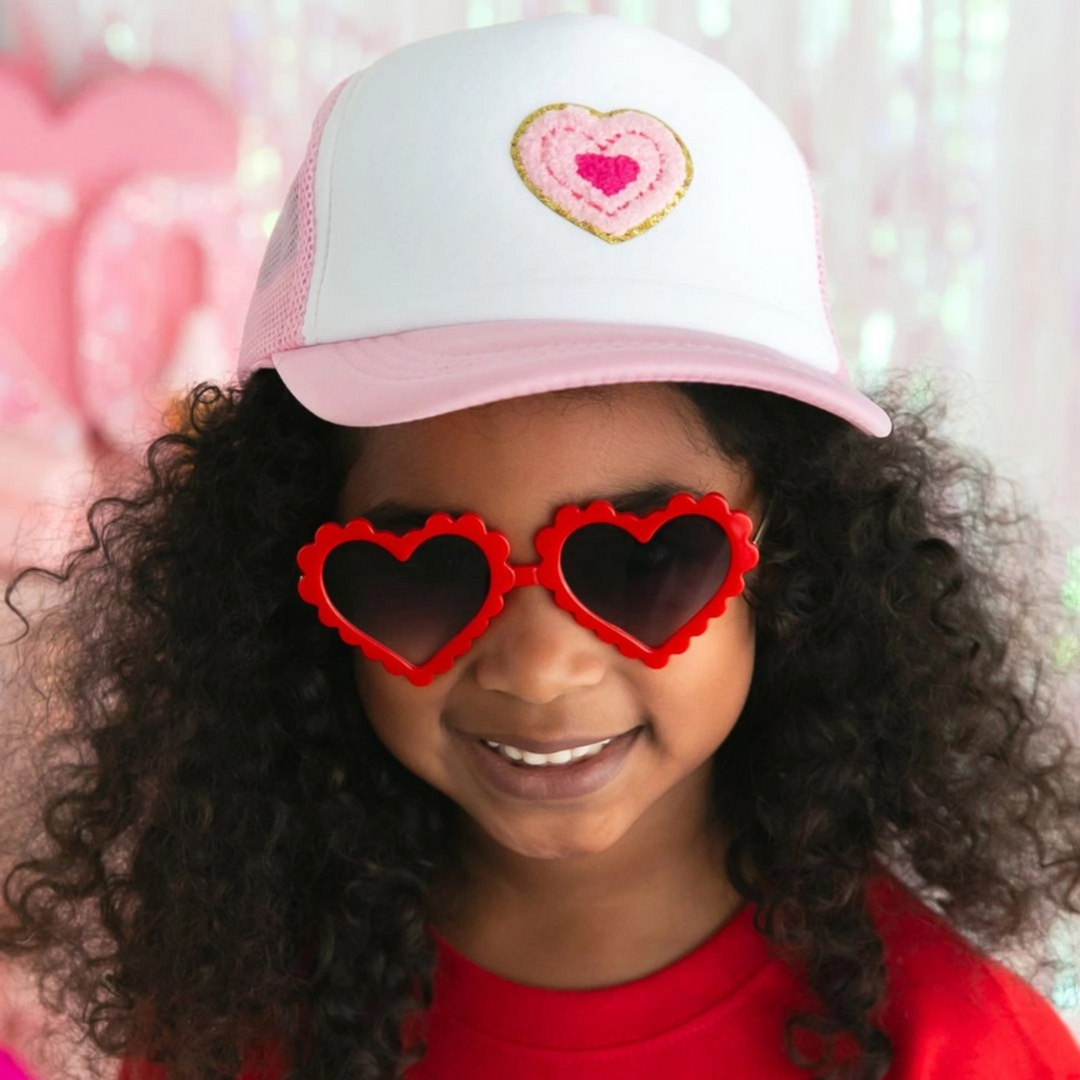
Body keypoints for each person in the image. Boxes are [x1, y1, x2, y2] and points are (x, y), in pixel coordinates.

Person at [1, 12, 1078, 1080]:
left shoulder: (957, 1047)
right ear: (285, 582)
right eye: (418, 573)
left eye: (642, 560)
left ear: (796, 557)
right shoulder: (233, 1030)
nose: (539, 664)